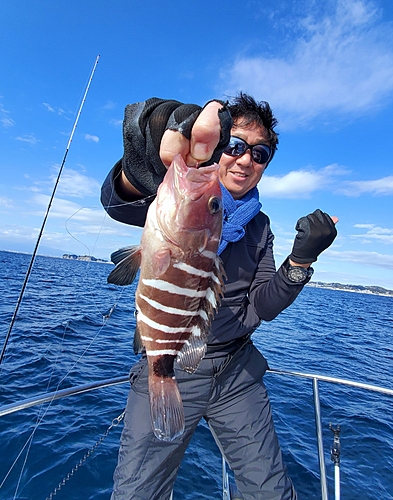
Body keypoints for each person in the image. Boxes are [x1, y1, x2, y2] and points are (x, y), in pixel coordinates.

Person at [101, 93, 338, 500]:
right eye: (236, 146)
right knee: (137, 493)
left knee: (272, 492)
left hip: (237, 370)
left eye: (259, 154)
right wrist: (138, 171)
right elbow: (119, 200)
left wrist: (301, 261)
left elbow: (263, 304)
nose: (245, 160)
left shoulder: (259, 226)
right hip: (173, 363)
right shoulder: (178, 192)